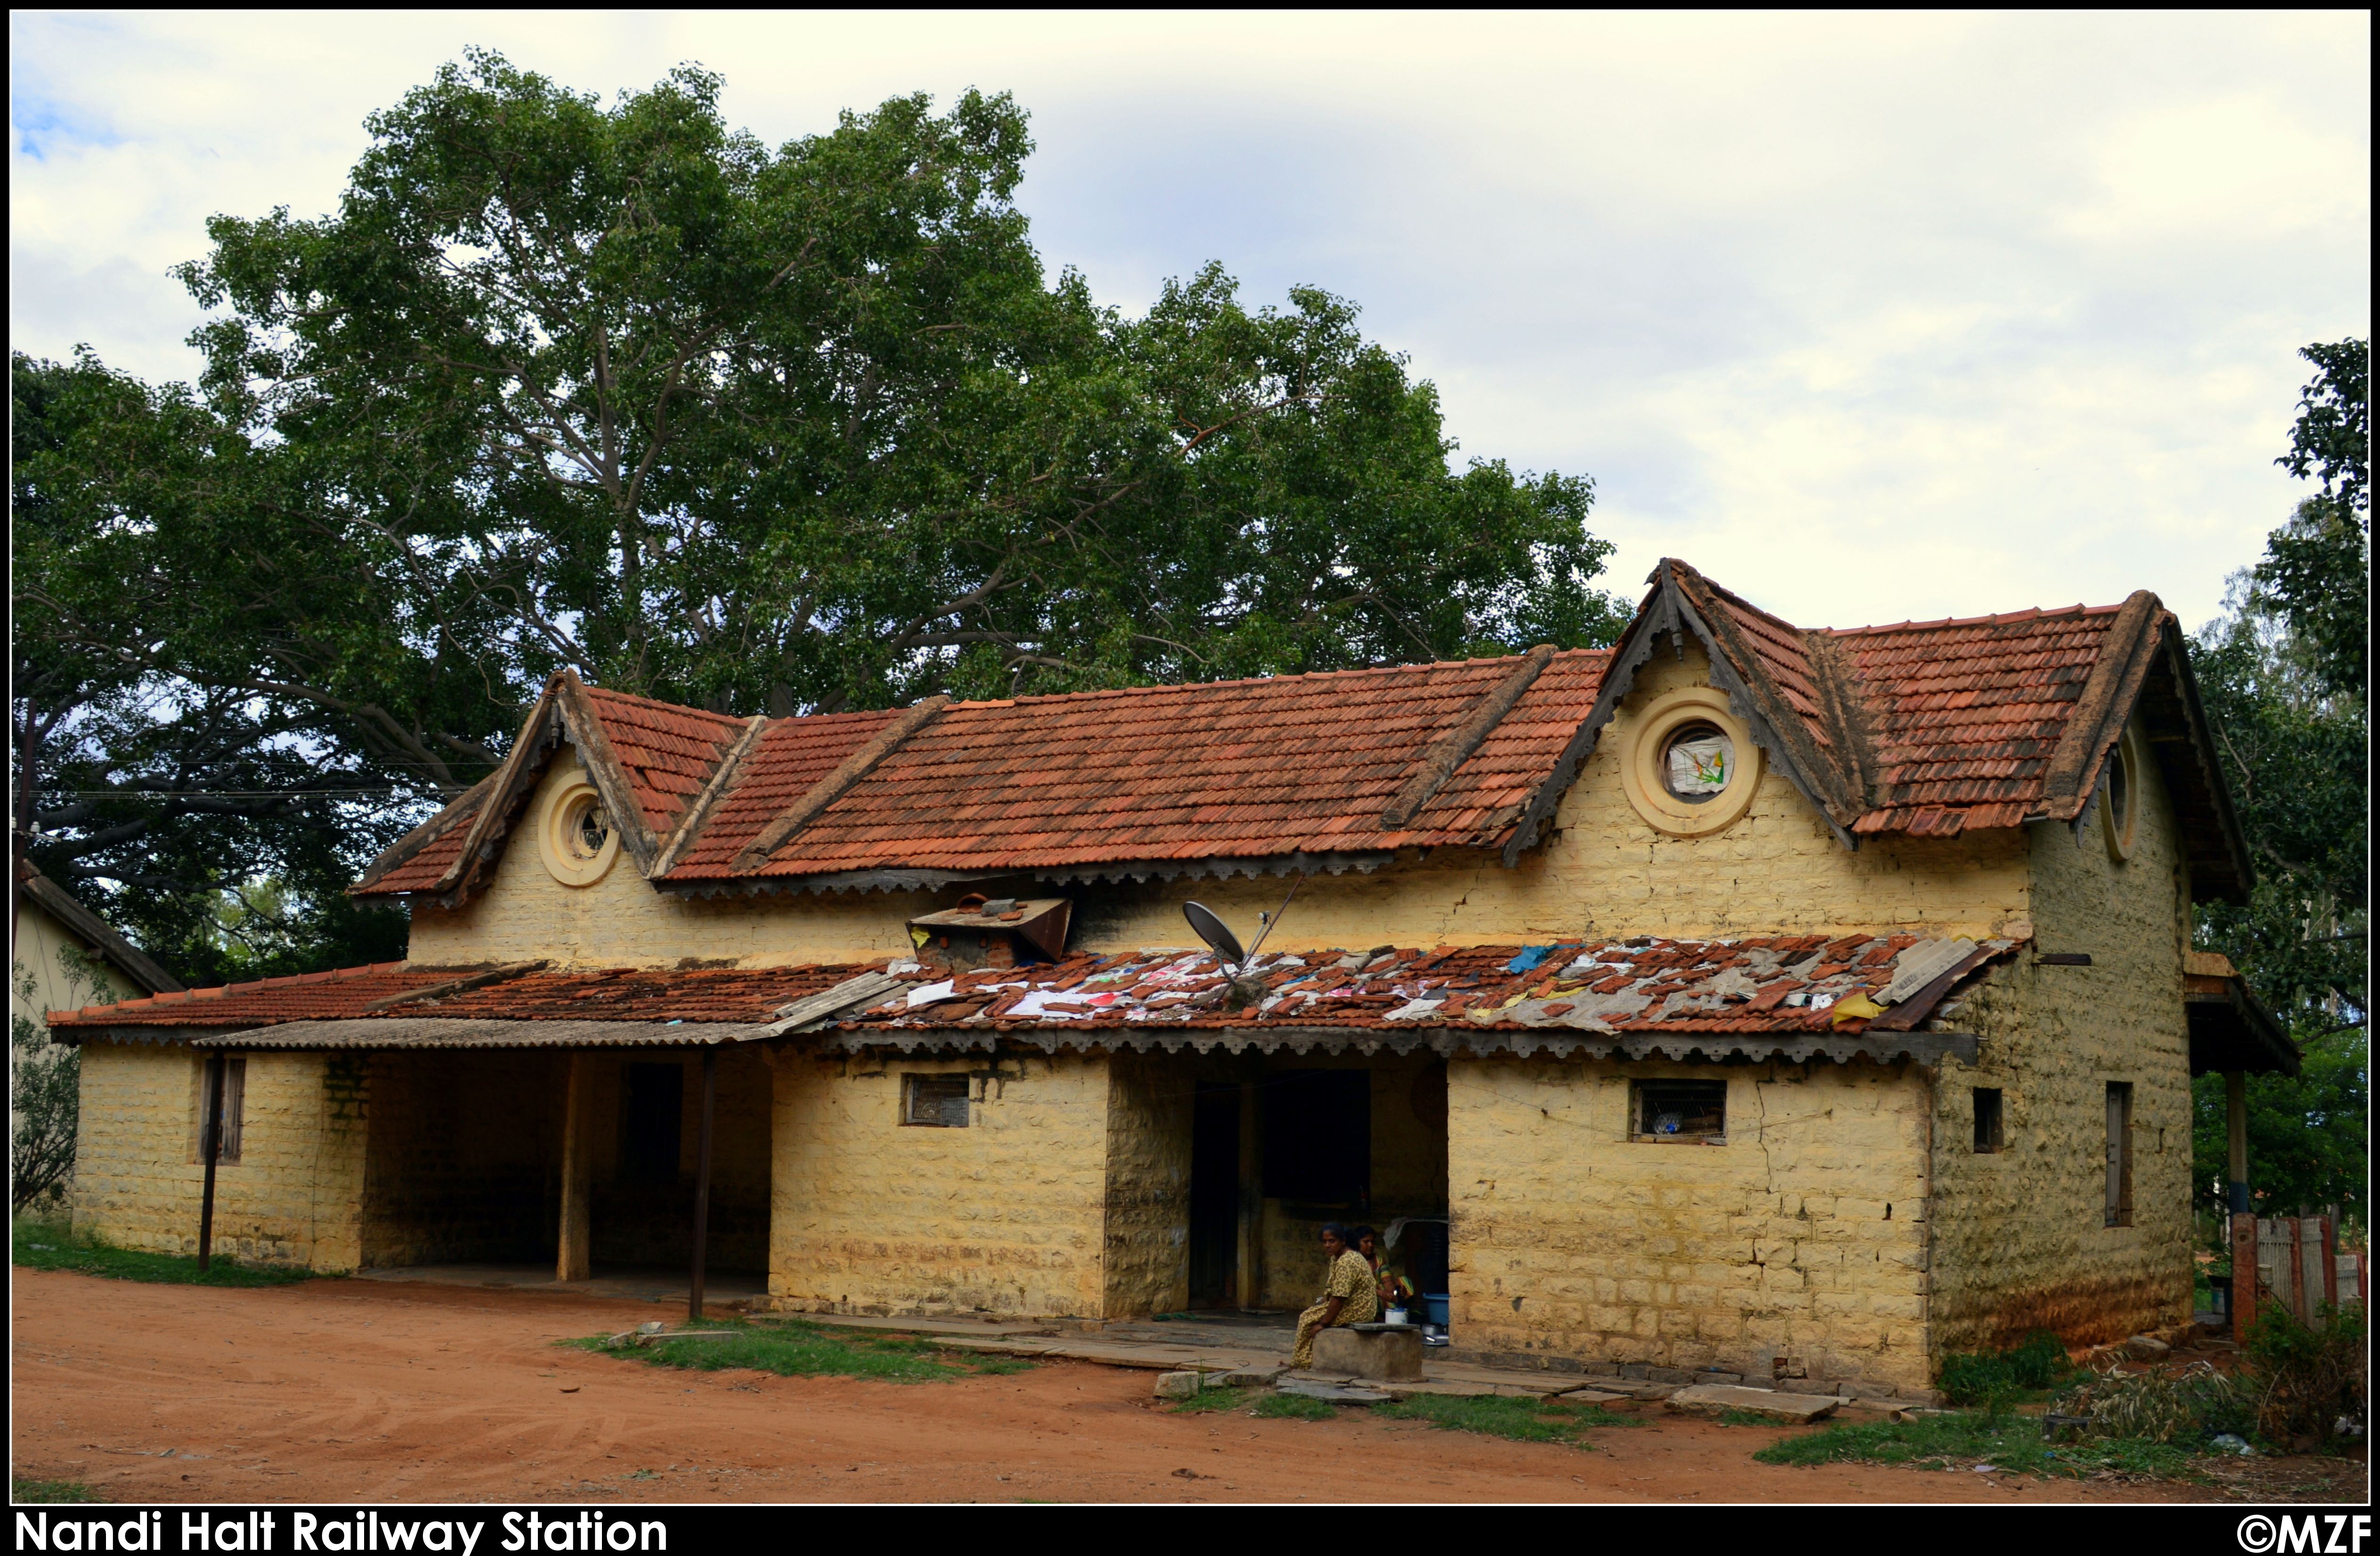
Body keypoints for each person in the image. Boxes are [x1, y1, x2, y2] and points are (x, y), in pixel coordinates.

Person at [1291, 1223, 1378, 1368]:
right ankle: (1305, 1359)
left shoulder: (1347, 1260)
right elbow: (1332, 1289)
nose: (1327, 1245)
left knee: (1306, 1318)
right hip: (1353, 1305)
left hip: (1359, 1308)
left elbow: (1339, 1298)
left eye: (1332, 1241)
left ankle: (1301, 1363)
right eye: (1325, 1242)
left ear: (1343, 1241)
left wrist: (1323, 1323)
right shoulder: (1337, 1257)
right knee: (1313, 1313)